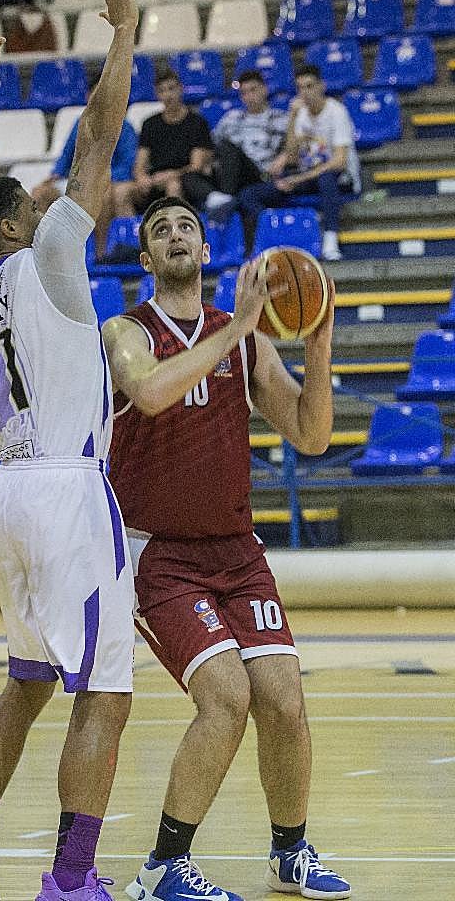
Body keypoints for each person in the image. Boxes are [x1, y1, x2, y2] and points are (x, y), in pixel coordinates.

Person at [0, 0, 139, 899]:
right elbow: (99, 132)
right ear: (21, 223)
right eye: (32, 199)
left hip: (4, 495)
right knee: (103, 690)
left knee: (24, 682)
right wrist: (125, 31)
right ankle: (70, 877)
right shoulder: (52, 255)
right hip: (66, 490)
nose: (46, 199)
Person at [101, 196, 352, 900]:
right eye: (160, 231)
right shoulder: (126, 331)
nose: (176, 235)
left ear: (206, 251)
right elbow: (149, 393)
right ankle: (162, 867)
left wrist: (320, 340)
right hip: (161, 557)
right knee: (226, 697)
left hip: (237, 552)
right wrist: (240, 325)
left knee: (283, 699)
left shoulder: (247, 342)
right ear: (147, 259)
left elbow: (311, 435)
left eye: (187, 226)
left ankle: (288, 851)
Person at [239, 64, 361, 262]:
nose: (305, 92)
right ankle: (278, 231)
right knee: (249, 195)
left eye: (310, 86)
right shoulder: (300, 113)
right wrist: (293, 118)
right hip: (306, 175)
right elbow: (293, 156)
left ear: (322, 86)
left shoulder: (337, 112)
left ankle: (331, 238)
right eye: (300, 88)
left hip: (340, 178)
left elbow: (339, 162)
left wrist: (298, 178)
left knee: (326, 179)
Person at [32, 71, 138, 257]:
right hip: (79, 181)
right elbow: (66, 157)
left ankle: (101, 253)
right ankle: (42, 254)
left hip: (109, 181)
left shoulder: (125, 127)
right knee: (39, 193)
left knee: (102, 194)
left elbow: (127, 164)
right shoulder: (80, 125)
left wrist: (99, 178)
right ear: (89, 97)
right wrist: (54, 176)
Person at [181, 70, 288, 221]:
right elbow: (211, 148)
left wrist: (284, 156)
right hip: (228, 174)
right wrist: (206, 162)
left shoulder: (281, 118)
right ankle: (220, 197)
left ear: (264, 89)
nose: (249, 97)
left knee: (228, 147)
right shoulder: (230, 118)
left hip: (259, 174)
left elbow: (293, 148)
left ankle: (225, 197)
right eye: (244, 93)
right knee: (188, 175)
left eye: (253, 90)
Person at [115, 68, 212, 217]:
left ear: (181, 89)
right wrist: (142, 178)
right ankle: (134, 238)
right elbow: (139, 164)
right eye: (162, 91)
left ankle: (173, 237)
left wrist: (171, 174)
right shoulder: (150, 124)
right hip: (154, 180)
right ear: (157, 94)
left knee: (173, 186)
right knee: (121, 192)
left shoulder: (197, 123)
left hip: (181, 179)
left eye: (171, 89)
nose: (167, 95)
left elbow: (196, 166)